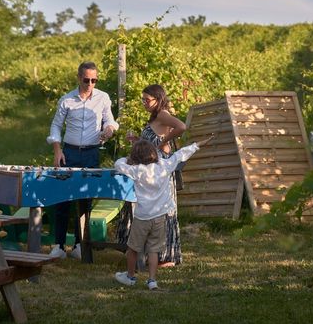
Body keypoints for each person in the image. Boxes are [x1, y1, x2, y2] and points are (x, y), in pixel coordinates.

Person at [114, 136, 213, 290]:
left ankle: (130, 277)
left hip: (142, 217)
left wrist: (126, 159)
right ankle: (152, 281)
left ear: (136, 157)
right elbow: (181, 154)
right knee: (153, 250)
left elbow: (118, 165)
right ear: (154, 154)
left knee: (133, 248)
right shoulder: (165, 166)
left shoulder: (137, 170)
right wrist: (197, 144)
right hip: (160, 217)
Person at [46, 61, 118, 259]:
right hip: (68, 153)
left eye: (94, 80)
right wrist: (57, 150)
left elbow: (110, 121)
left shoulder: (103, 98)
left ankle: (80, 244)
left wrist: (109, 130)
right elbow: (55, 126)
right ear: (79, 78)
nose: (90, 84)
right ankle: (59, 245)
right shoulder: (67, 100)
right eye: (86, 80)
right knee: (62, 198)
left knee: (85, 199)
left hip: (91, 153)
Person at [117, 84, 187, 267]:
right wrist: (138, 141)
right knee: (147, 207)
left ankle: (165, 256)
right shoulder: (155, 117)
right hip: (150, 170)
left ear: (158, 99)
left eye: (147, 100)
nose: (144, 103)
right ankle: (147, 253)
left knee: (159, 209)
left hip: (159, 170)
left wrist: (165, 140)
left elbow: (181, 126)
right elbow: (152, 141)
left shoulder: (163, 114)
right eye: (143, 100)